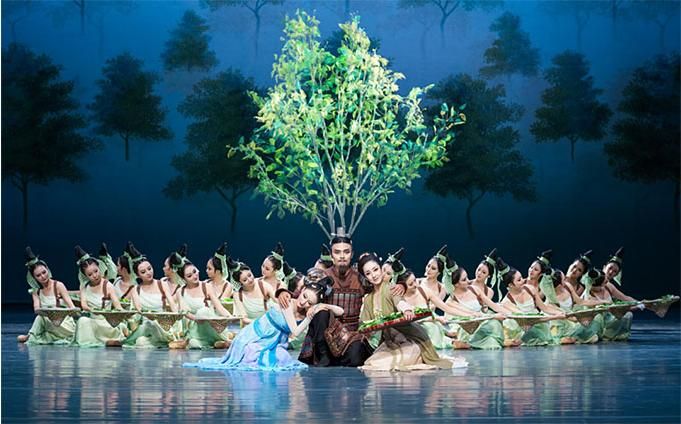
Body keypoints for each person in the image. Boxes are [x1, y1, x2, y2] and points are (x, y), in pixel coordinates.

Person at [183, 278, 342, 371]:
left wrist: (323, 306)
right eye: (305, 296)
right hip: (257, 335)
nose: (304, 302)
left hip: (275, 342)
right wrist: (310, 315)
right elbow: (295, 331)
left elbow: (340, 311)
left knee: (283, 358)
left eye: (309, 302)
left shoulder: (308, 309)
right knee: (252, 355)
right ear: (302, 290)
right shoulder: (288, 302)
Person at [278, 232, 374, 367]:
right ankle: (324, 356)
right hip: (325, 333)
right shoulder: (322, 276)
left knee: (356, 357)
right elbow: (301, 293)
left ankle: (336, 358)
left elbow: (380, 285)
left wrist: (401, 284)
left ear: (352, 254)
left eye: (346, 252)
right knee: (321, 312)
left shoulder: (361, 278)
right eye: (337, 252)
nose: (342, 256)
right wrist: (283, 292)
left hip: (351, 335)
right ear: (332, 255)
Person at [357, 252, 466, 371]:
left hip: (409, 338)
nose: (373, 275)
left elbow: (400, 302)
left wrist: (406, 309)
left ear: (381, 269)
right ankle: (415, 360)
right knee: (370, 363)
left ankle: (420, 357)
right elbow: (364, 323)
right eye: (368, 273)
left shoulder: (392, 288)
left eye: (375, 270)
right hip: (390, 342)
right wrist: (367, 331)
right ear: (365, 277)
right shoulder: (368, 299)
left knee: (382, 365)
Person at [401, 268, 483, 349]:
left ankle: (449, 339)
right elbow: (408, 320)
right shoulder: (400, 299)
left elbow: (446, 308)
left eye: (415, 280)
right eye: (410, 284)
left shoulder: (424, 291)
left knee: (435, 327)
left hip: (433, 326)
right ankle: (447, 341)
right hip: (415, 330)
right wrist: (436, 318)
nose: (415, 285)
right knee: (430, 327)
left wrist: (470, 314)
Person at [172, 257, 234, 349]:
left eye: (195, 271)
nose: (194, 276)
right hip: (195, 326)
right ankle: (215, 343)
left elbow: (219, 307)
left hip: (210, 323)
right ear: (184, 278)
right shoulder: (180, 291)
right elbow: (184, 312)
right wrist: (196, 318)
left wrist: (230, 317)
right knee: (193, 344)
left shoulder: (206, 286)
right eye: (189, 276)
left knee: (203, 311)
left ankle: (222, 339)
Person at [18, 247, 77, 345]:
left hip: (63, 323)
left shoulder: (58, 285)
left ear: (47, 270)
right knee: (40, 317)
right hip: (49, 322)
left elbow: (72, 307)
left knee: (42, 319)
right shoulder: (36, 291)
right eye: (38, 275)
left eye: (44, 272)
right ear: (34, 278)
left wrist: (61, 314)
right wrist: (49, 314)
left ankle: (31, 335)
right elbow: (37, 309)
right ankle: (32, 335)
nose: (43, 276)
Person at [443, 267, 512, 350]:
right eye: (464, 280)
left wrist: (511, 314)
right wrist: (493, 316)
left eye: (467, 277)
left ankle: (495, 341)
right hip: (468, 328)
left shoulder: (474, 289)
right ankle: (469, 344)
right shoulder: (451, 301)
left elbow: (493, 305)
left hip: (482, 322)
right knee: (492, 324)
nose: (468, 281)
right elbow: (473, 315)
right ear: (456, 284)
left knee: (495, 324)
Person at [124, 245, 179, 349]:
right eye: (143, 272)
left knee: (148, 331)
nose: (148, 273)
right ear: (138, 275)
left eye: (149, 269)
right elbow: (139, 309)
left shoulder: (162, 284)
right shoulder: (135, 289)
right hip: (146, 325)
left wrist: (177, 315)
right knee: (141, 341)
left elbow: (171, 302)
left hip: (162, 325)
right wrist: (147, 315)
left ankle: (165, 340)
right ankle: (161, 343)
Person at [73, 245, 127, 348]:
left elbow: (117, 305)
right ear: (86, 276)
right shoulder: (84, 286)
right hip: (93, 320)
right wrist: (92, 310)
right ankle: (95, 342)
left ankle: (110, 339)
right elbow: (84, 305)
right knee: (82, 321)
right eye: (90, 274)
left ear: (99, 268)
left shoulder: (108, 285)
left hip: (106, 321)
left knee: (115, 326)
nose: (95, 275)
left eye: (96, 271)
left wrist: (122, 314)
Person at [231, 259, 276, 325]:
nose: (250, 280)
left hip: (268, 324)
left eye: (250, 275)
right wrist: (260, 323)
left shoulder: (263, 285)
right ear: (240, 283)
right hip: (251, 326)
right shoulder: (237, 294)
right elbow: (244, 319)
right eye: (245, 280)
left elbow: (277, 300)